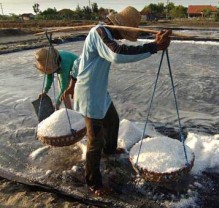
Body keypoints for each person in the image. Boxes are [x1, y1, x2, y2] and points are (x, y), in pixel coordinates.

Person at [63, 6, 171, 196]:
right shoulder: (99, 32)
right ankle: (93, 183)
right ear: (121, 27)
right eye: (125, 33)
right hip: (89, 94)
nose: (123, 38)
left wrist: (72, 81)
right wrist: (154, 47)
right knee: (94, 141)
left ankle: (110, 150)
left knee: (112, 120)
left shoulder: (102, 34)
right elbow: (117, 53)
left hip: (99, 91)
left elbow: (79, 62)